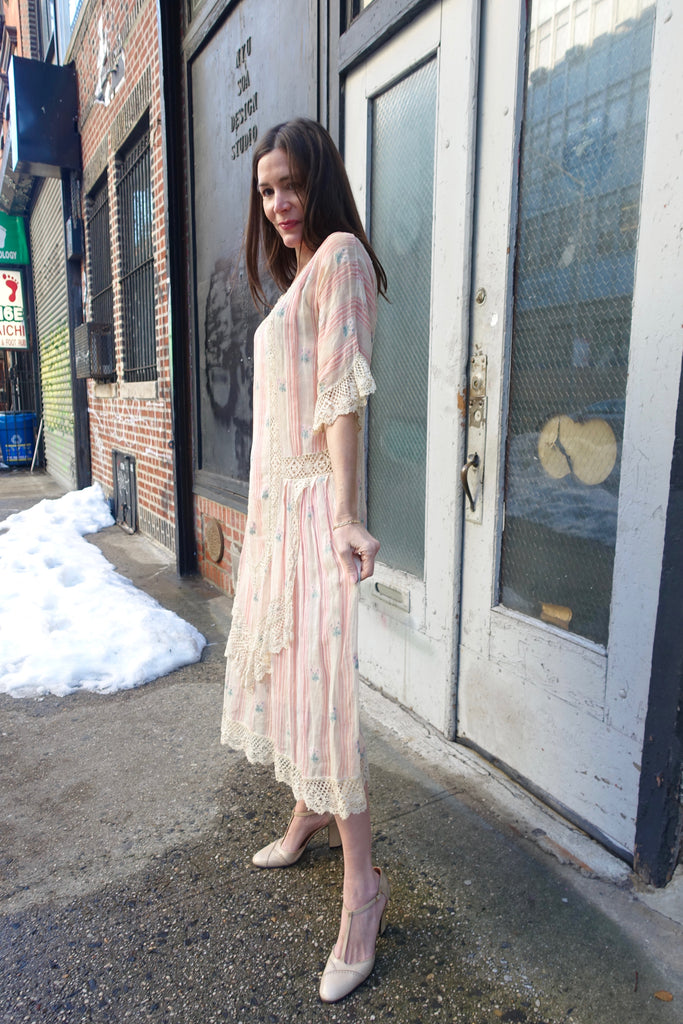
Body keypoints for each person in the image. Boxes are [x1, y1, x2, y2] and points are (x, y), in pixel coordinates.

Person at [220, 117, 389, 1003]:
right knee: (289, 677)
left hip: (319, 503)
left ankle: (362, 894)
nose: (276, 204)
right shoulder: (299, 276)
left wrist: (347, 514)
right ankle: (307, 810)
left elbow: (342, 389)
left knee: (324, 690)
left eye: (287, 184)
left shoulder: (341, 261)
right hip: (281, 506)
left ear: (318, 178)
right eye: (264, 190)